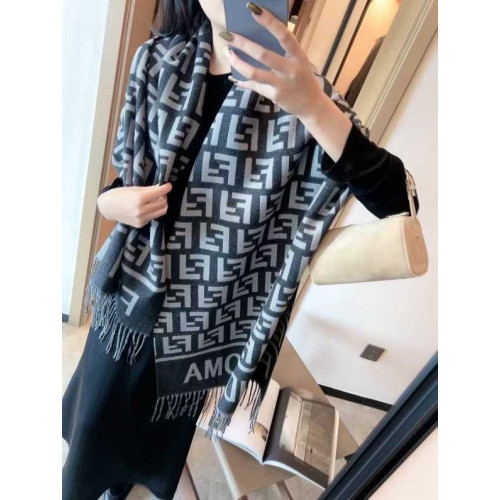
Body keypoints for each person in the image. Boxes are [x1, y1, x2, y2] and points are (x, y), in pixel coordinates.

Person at [62, 1, 420, 499]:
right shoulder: (157, 62)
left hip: (202, 326)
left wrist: (313, 107)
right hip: (128, 303)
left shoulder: (305, 94)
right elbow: (131, 176)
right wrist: (109, 202)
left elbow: (400, 201)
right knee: (92, 433)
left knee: (148, 443)